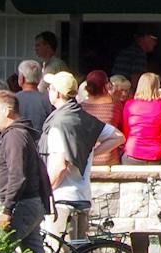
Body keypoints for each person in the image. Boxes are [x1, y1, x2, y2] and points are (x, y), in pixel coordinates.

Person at [0, 89, 68, 253]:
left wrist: (7, 210)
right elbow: (13, 172)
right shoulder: (18, 134)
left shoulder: (14, 136)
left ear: (7, 110)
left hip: (21, 205)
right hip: (30, 203)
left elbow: (18, 176)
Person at [42, 71, 124, 239]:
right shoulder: (83, 117)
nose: (48, 91)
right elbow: (118, 137)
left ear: (57, 93)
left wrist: (44, 191)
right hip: (83, 197)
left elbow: (60, 166)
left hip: (62, 199)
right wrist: (90, 153)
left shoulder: (59, 124)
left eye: (50, 88)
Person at [122, 72, 161, 165]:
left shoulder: (129, 104)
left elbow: (126, 130)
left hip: (133, 152)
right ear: (157, 87)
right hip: (156, 154)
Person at [15, 60, 54, 130]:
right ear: (39, 79)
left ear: (22, 78)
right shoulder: (48, 100)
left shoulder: (13, 99)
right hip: (42, 140)